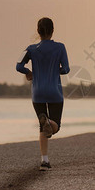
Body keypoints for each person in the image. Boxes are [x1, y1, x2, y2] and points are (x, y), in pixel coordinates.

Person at [16, 17, 70, 170]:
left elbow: (18, 66)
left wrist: (28, 72)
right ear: (53, 31)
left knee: (43, 126)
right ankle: (47, 123)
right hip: (54, 92)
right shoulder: (60, 47)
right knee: (55, 126)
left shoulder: (30, 49)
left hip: (38, 93)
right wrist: (55, 71)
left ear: (38, 31)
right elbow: (66, 69)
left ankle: (44, 160)